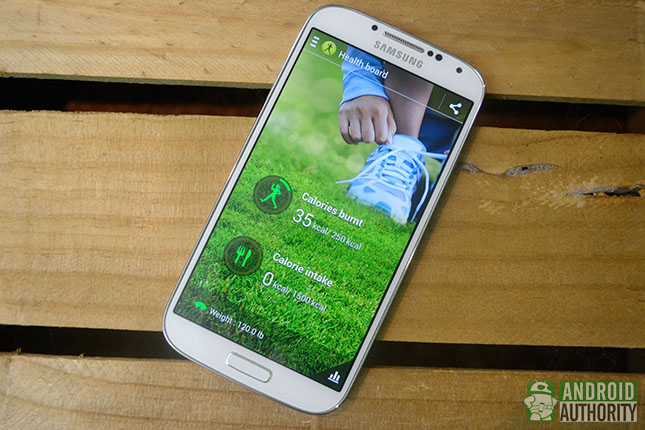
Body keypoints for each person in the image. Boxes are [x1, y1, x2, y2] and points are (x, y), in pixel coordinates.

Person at [337, 46, 460, 224]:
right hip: (405, 110)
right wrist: (363, 86)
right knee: (417, 48)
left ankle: (426, 185)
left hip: (457, 131)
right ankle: (400, 153)